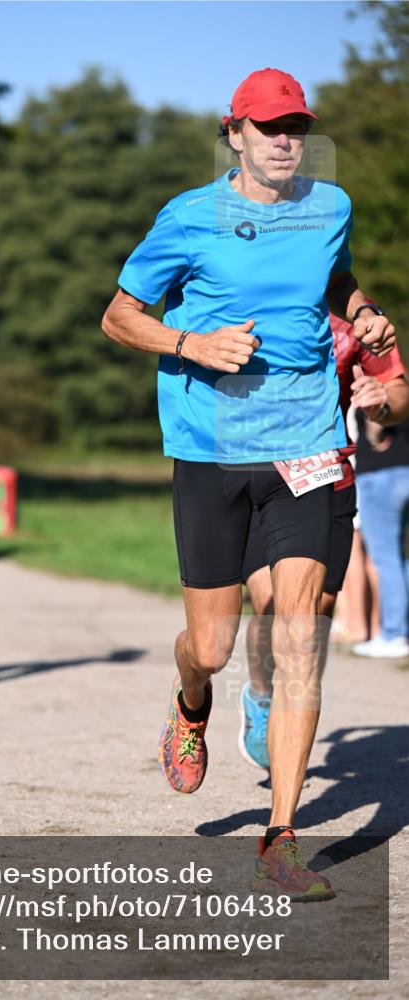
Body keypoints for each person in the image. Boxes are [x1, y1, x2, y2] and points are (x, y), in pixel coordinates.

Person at [102, 67, 395, 901]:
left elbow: (331, 282)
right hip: (208, 451)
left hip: (304, 447)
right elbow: (119, 315)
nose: (283, 138)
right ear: (232, 133)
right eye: (266, 126)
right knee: (213, 644)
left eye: (293, 124)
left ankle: (280, 837)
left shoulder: (328, 207)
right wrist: (190, 346)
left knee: (299, 633)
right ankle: (191, 701)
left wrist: (364, 312)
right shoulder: (188, 217)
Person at [239, 314, 408, 769]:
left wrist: (382, 403)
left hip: (327, 478)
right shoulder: (250, 287)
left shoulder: (357, 315)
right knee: (271, 602)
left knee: (314, 619)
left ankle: (290, 724)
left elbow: (398, 390)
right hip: (253, 474)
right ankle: (259, 694)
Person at [351, 414, 409, 658]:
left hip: (380, 473)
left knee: (385, 558)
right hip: (404, 470)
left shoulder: (377, 380)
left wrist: (375, 438)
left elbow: (376, 421)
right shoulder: (403, 385)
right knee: (400, 557)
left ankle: (394, 634)